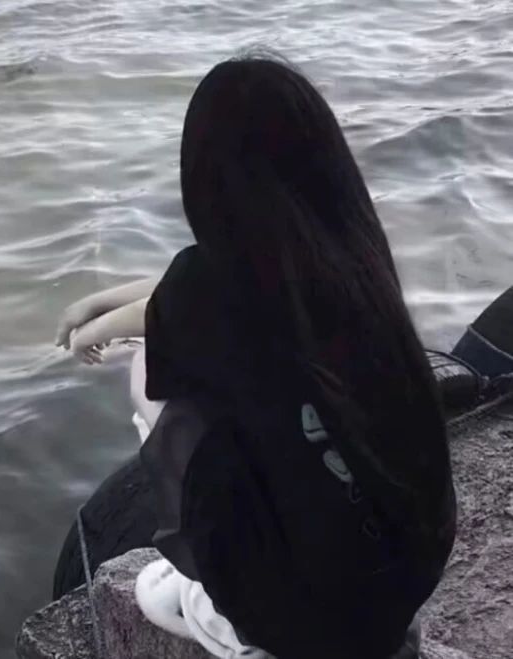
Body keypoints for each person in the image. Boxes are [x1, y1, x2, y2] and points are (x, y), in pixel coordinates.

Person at [56, 54, 457, 659]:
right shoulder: (354, 257)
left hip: (300, 623)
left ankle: (219, 608)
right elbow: (197, 294)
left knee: (151, 370)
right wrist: (103, 306)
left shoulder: (213, 289)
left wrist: (91, 327)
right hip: (409, 571)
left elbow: (185, 303)